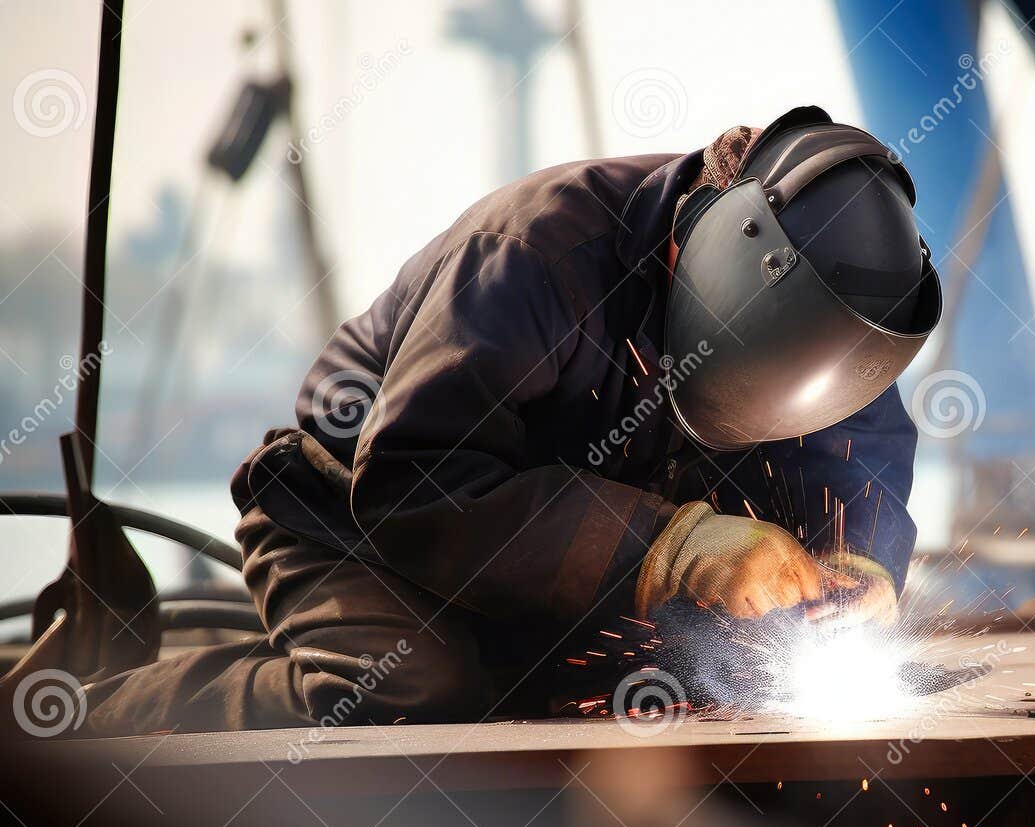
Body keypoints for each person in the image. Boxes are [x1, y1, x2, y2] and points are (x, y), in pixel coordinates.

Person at [79, 106, 942, 735]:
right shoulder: (533, 255)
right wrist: (669, 549)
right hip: (355, 522)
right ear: (705, 257)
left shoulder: (827, 305)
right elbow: (415, 479)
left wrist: (856, 559)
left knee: (715, 679)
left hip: (563, 564)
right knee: (416, 691)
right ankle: (100, 707)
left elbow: (857, 441)